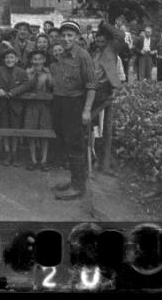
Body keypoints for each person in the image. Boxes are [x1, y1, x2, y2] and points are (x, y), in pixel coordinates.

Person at [51, 20, 96, 200]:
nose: (66, 39)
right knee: (65, 141)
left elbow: (91, 85)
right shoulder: (61, 55)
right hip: (60, 102)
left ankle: (79, 187)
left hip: (75, 103)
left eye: (70, 35)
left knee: (75, 143)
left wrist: (86, 110)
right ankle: (74, 180)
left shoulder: (83, 56)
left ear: (77, 37)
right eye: (63, 35)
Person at [91, 20, 125, 174]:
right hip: (93, 90)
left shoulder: (111, 50)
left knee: (106, 127)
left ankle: (105, 162)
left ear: (107, 40)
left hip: (105, 90)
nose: (100, 42)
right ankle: (94, 157)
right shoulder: (94, 53)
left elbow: (120, 35)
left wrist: (105, 25)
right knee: (93, 125)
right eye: (97, 39)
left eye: (103, 39)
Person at [0, 48, 31, 166]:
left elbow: (26, 84)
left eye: (11, 57)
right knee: (5, 129)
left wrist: (13, 92)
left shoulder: (21, 72)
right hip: (2, 105)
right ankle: (7, 153)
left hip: (16, 105)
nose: (9, 60)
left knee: (15, 129)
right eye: (7, 58)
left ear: (16, 59)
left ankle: (15, 153)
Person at [24, 50, 53, 172]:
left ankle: (44, 160)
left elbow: (52, 86)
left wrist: (49, 75)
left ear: (44, 60)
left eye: (40, 59)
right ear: (31, 61)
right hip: (31, 105)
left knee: (44, 132)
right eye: (35, 59)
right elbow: (24, 86)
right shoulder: (27, 72)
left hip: (45, 105)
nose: (37, 61)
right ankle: (33, 159)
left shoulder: (47, 72)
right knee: (31, 131)